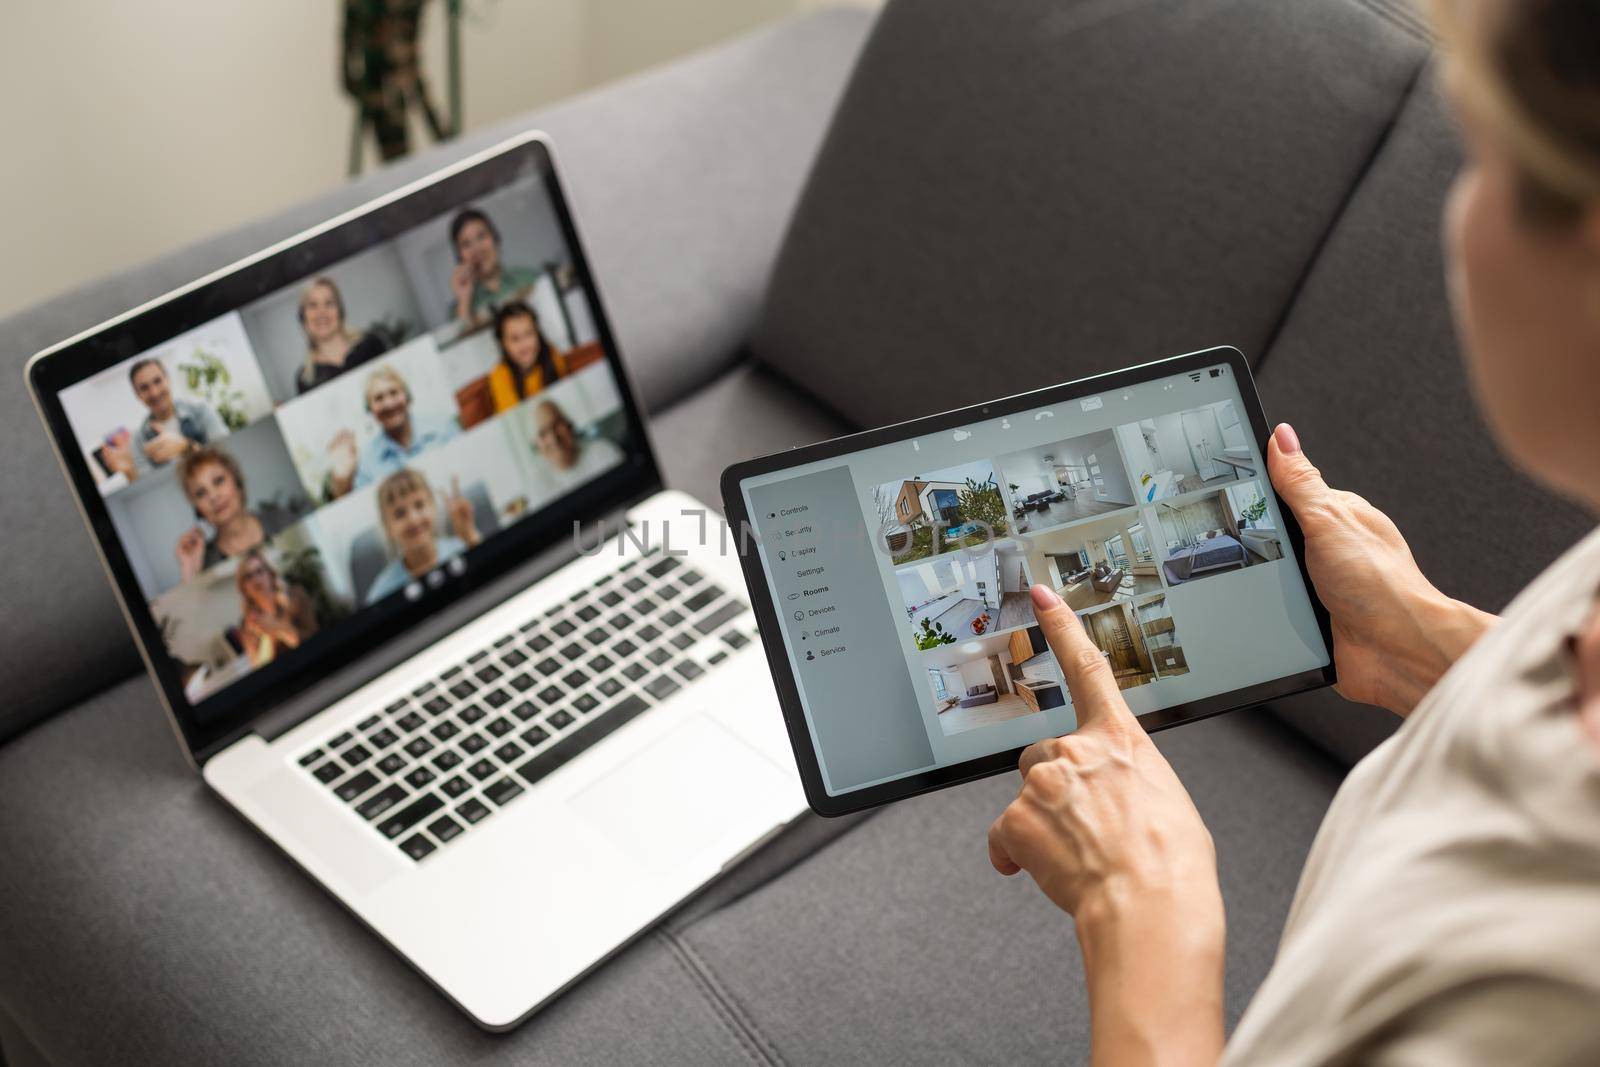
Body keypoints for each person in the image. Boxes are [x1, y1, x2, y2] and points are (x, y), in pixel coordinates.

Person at [985, 3, 1600, 1063]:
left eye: (1476, 153)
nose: (1452, 216)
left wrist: (1140, 903)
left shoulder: (1544, 990)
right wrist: (1424, 642)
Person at [325, 364, 458, 500]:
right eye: (379, 398)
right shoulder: (366, 462)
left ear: (407, 397)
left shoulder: (443, 427)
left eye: (393, 393)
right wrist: (342, 480)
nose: (388, 404)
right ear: (370, 410)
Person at [174, 446, 297, 583]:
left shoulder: (282, 519)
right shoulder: (204, 561)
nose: (213, 496)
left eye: (219, 481)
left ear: (237, 482)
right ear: (198, 509)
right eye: (201, 493)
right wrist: (190, 571)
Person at [446, 206, 568, 342]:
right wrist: (464, 300)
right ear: (459, 256)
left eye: (481, 236)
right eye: (466, 244)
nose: (477, 249)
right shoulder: (459, 310)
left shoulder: (529, 278)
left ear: (495, 239)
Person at [364, 468, 481, 604]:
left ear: (433, 507)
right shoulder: (381, 591)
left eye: (419, 505)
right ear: (387, 528)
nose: (413, 519)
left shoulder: (463, 545)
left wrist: (471, 539)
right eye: (400, 513)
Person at [101, 358, 229, 482]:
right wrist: (129, 473)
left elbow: (226, 457)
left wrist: (186, 447)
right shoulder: (138, 440)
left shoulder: (201, 411)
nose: (154, 392)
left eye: (157, 381)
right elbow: (150, 487)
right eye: (144, 388)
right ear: (138, 395)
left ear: (167, 379)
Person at [294, 276, 390, 394]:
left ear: (340, 311)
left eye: (329, 303)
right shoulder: (305, 379)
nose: (321, 312)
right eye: (313, 305)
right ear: (303, 317)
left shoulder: (372, 344)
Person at [226, 549, 318, 667]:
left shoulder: (296, 595)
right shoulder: (247, 623)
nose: (256, 579)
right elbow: (259, 667)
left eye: (259, 571)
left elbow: (313, 640)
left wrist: (277, 627)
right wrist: (266, 635)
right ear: (244, 588)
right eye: (248, 576)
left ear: (270, 573)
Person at [487, 301, 567, 413]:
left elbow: (567, 397)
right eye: (515, 339)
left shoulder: (552, 354)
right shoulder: (500, 375)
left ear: (537, 333)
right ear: (502, 343)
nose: (525, 344)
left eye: (529, 333)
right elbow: (516, 417)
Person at [529, 399, 624, 493]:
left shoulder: (603, 451)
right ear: (537, 446)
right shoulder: (538, 486)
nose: (554, 439)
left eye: (556, 425)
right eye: (543, 433)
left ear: (569, 425)